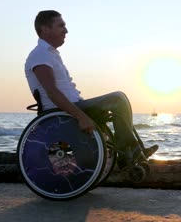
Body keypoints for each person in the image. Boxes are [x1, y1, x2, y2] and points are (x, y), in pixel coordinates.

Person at [24, 10, 158, 167]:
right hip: (60, 112)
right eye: (61, 26)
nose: (66, 31)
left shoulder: (50, 54)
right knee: (117, 99)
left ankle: (133, 150)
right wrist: (81, 116)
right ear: (45, 29)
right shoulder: (40, 55)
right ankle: (127, 152)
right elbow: (52, 93)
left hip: (72, 106)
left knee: (119, 101)